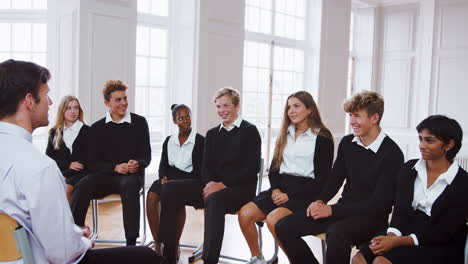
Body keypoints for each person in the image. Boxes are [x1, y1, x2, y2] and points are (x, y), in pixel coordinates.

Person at [0, 59, 161, 264]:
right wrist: (83, 239)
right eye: (46, 95)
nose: (50, 102)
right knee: (149, 258)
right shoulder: (40, 169)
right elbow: (63, 254)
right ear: (29, 101)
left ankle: (128, 239)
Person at [274, 91, 405, 264]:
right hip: (344, 209)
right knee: (284, 226)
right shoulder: (347, 143)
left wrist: (332, 210)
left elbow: (378, 205)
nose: (351, 122)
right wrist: (320, 200)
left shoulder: (392, 154)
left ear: (374, 118)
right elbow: (335, 178)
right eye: (350, 115)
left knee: (336, 233)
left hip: (372, 218)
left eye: (357, 116)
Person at [157, 87, 262, 264]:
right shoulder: (213, 134)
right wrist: (209, 183)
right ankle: (168, 256)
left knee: (215, 199)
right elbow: (206, 167)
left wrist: (222, 184)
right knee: (169, 189)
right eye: (218, 106)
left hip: (240, 189)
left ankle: (209, 260)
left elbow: (251, 169)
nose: (222, 110)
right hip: (213, 188)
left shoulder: (250, 131)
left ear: (237, 106)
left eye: (226, 105)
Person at [352, 115, 467, 264]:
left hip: (442, 242)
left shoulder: (463, 182)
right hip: (406, 230)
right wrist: (392, 234)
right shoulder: (409, 169)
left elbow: (442, 232)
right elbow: (400, 210)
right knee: (359, 259)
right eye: (421, 139)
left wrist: (397, 242)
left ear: (449, 144)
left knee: (381, 262)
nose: (421, 145)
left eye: (429, 140)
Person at [237, 91, 334, 264]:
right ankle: (257, 258)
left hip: (306, 191)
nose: (291, 111)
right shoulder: (285, 133)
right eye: (289, 107)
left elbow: (322, 179)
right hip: (280, 186)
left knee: (274, 219)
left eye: (296, 106)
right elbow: (274, 169)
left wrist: (290, 196)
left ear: (310, 109)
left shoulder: (322, 137)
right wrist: (275, 189)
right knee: (245, 214)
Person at [70, 80, 151, 246]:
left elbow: (146, 156)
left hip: (130, 177)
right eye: (118, 100)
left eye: (125, 98)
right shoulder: (97, 128)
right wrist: (114, 167)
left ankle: (131, 243)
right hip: (105, 176)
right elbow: (92, 162)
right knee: (84, 184)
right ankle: (73, 234)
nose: (123, 103)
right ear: (107, 103)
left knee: (130, 185)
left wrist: (137, 163)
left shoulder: (139, 122)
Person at [146, 104, 204, 256]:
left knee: (173, 195)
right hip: (169, 177)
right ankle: (158, 243)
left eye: (188, 117)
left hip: (190, 179)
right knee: (151, 196)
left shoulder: (199, 141)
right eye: (181, 118)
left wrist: (172, 182)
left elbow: (199, 171)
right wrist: (162, 177)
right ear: (174, 121)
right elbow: (162, 165)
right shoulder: (168, 141)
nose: (185, 121)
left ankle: (173, 244)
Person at [46, 95, 90, 202]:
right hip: (62, 173)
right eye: (69, 108)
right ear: (62, 111)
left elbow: (91, 158)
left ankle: (68, 219)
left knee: (66, 188)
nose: (73, 111)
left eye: (76, 108)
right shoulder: (54, 133)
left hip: (82, 174)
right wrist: (68, 165)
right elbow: (49, 159)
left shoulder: (88, 131)